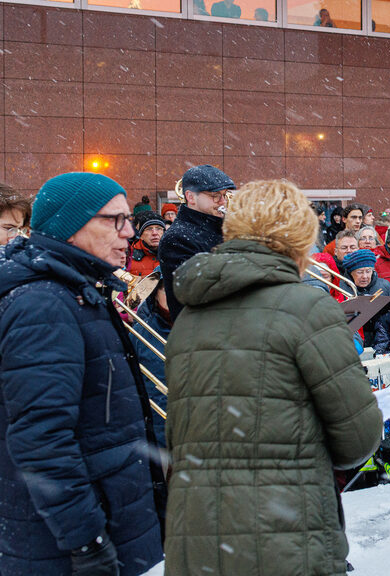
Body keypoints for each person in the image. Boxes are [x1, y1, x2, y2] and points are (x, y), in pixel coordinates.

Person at [164, 179, 381, 574]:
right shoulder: (307, 307)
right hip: (285, 533)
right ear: (300, 240)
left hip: (198, 536)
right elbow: (359, 439)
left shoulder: (190, 315)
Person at [0, 172, 163, 576]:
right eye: (114, 220)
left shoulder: (77, 290)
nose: (129, 233)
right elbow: (42, 439)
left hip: (110, 519)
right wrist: (86, 541)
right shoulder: (44, 304)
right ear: (70, 226)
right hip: (66, 544)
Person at [158, 164, 235, 318]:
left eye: (224, 195)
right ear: (191, 197)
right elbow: (199, 292)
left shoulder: (224, 228)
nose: (222, 202)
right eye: (215, 196)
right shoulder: (177, 238)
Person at [126, 213, 165, 277]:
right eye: (149, 229)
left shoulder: (174, 255)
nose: (154, 233)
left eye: (158, 228)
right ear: (141, 236)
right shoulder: (128, 257)